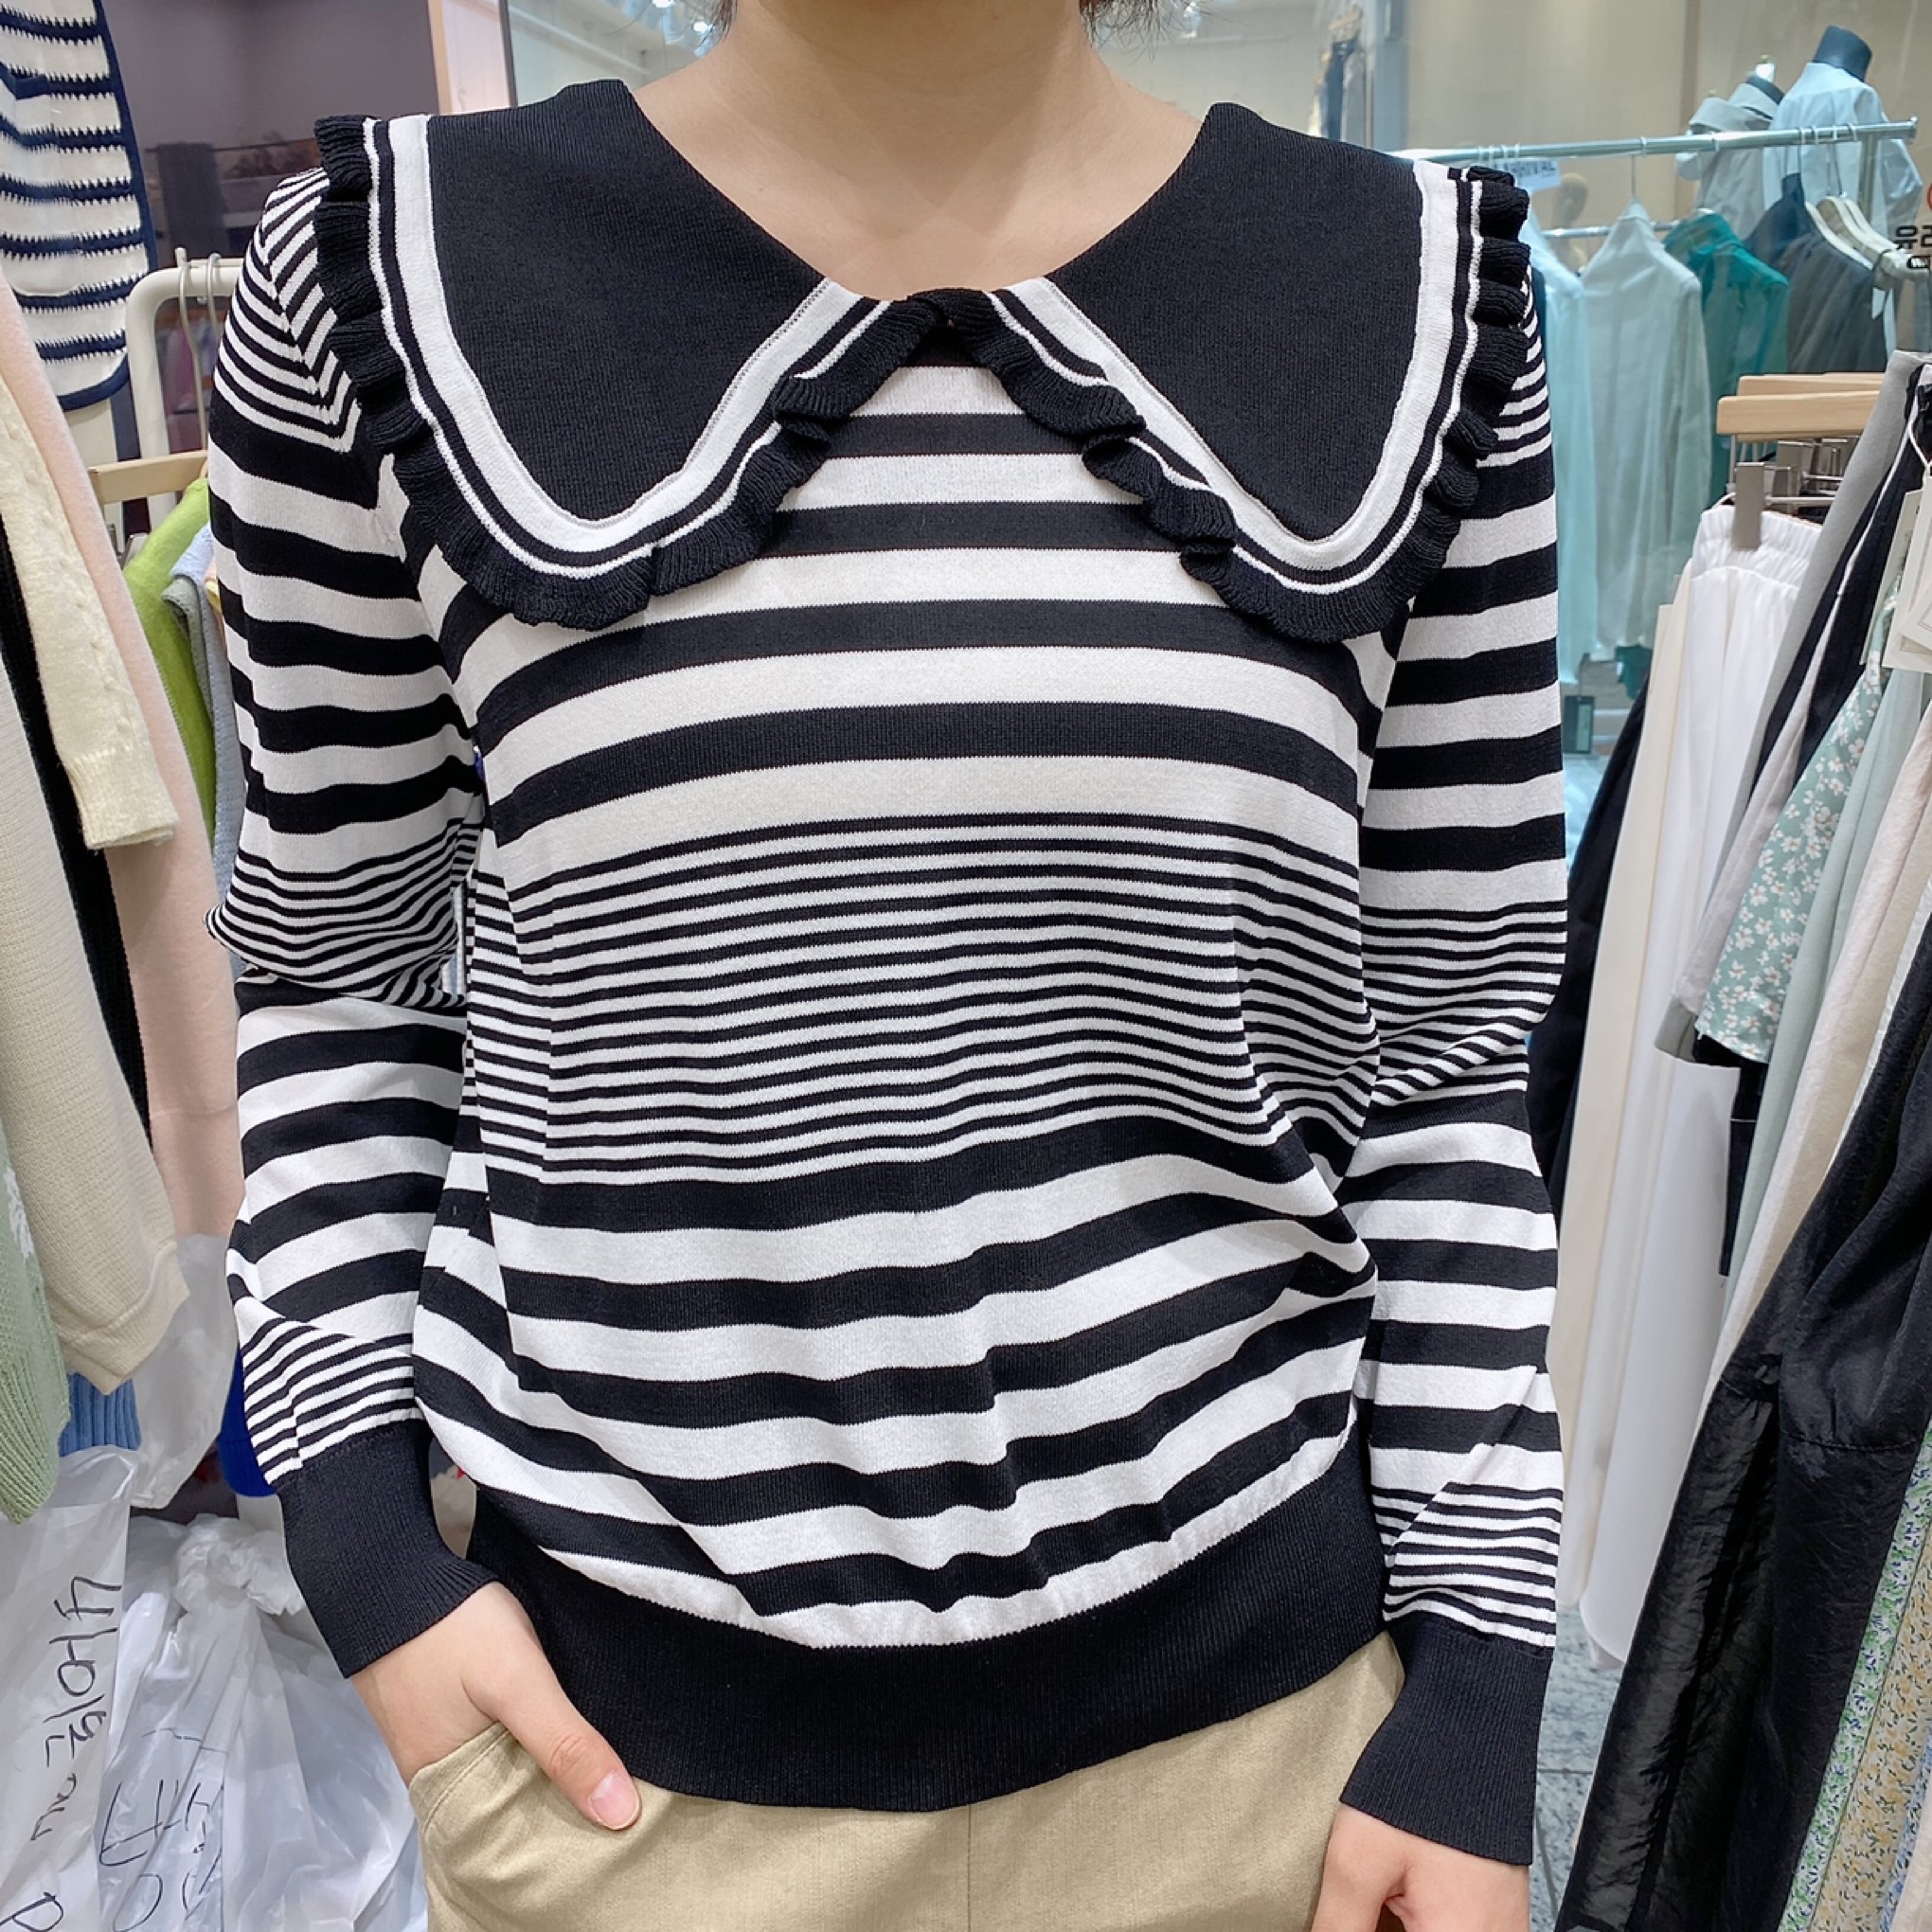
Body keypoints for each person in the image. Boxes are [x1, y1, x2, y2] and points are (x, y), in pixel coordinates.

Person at [206, 1, 1565, 1926]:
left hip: (1274, 1781)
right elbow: (346, 984)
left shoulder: (1420, 299)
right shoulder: (379, 283)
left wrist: (1485, 1686)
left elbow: (1445, 1060)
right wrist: (361, 1550)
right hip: (623, 1792)